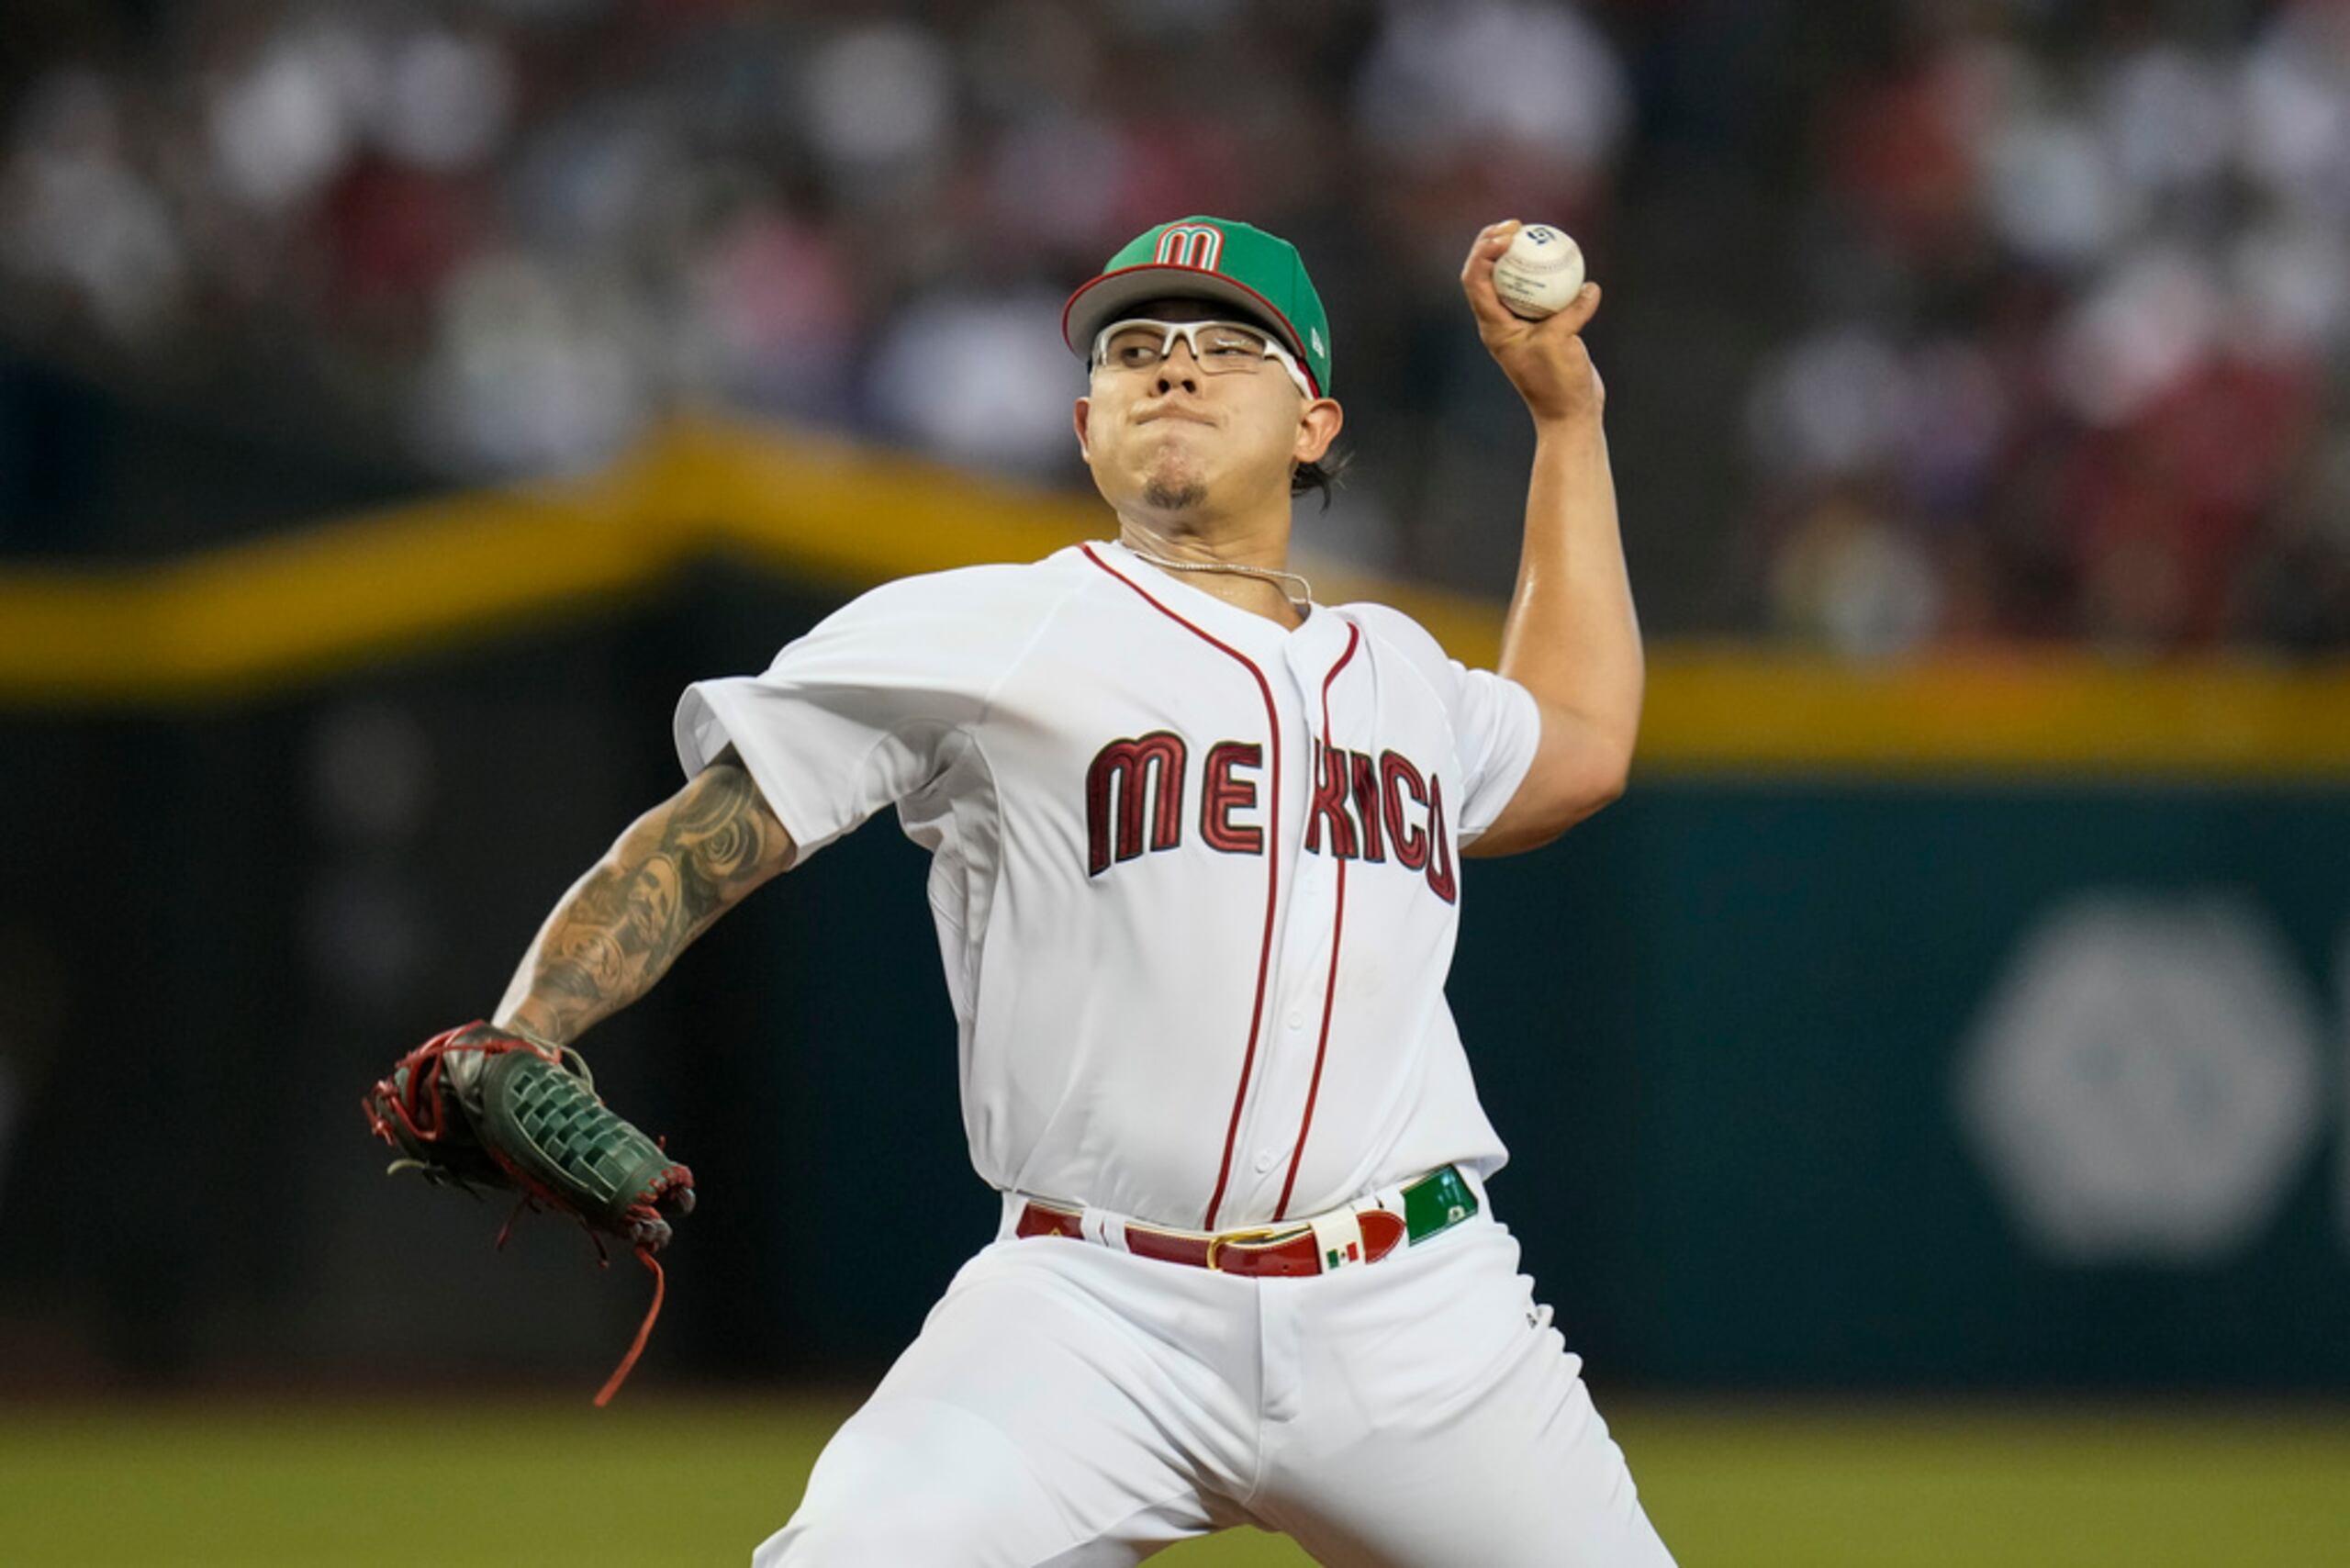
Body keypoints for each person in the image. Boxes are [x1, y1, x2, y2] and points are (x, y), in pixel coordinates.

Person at [491, 215, 1668, 1565]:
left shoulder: (1402, 673)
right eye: (1134, 349)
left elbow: (1577, 741)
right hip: (1093, 1311)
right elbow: (707, 835)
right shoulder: (996, 628)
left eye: (1227, 346)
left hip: (1417, 1309)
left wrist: (1565, 422)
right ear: (1085, 423)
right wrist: (530, 1026)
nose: (1172, 367)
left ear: (1314, 424)